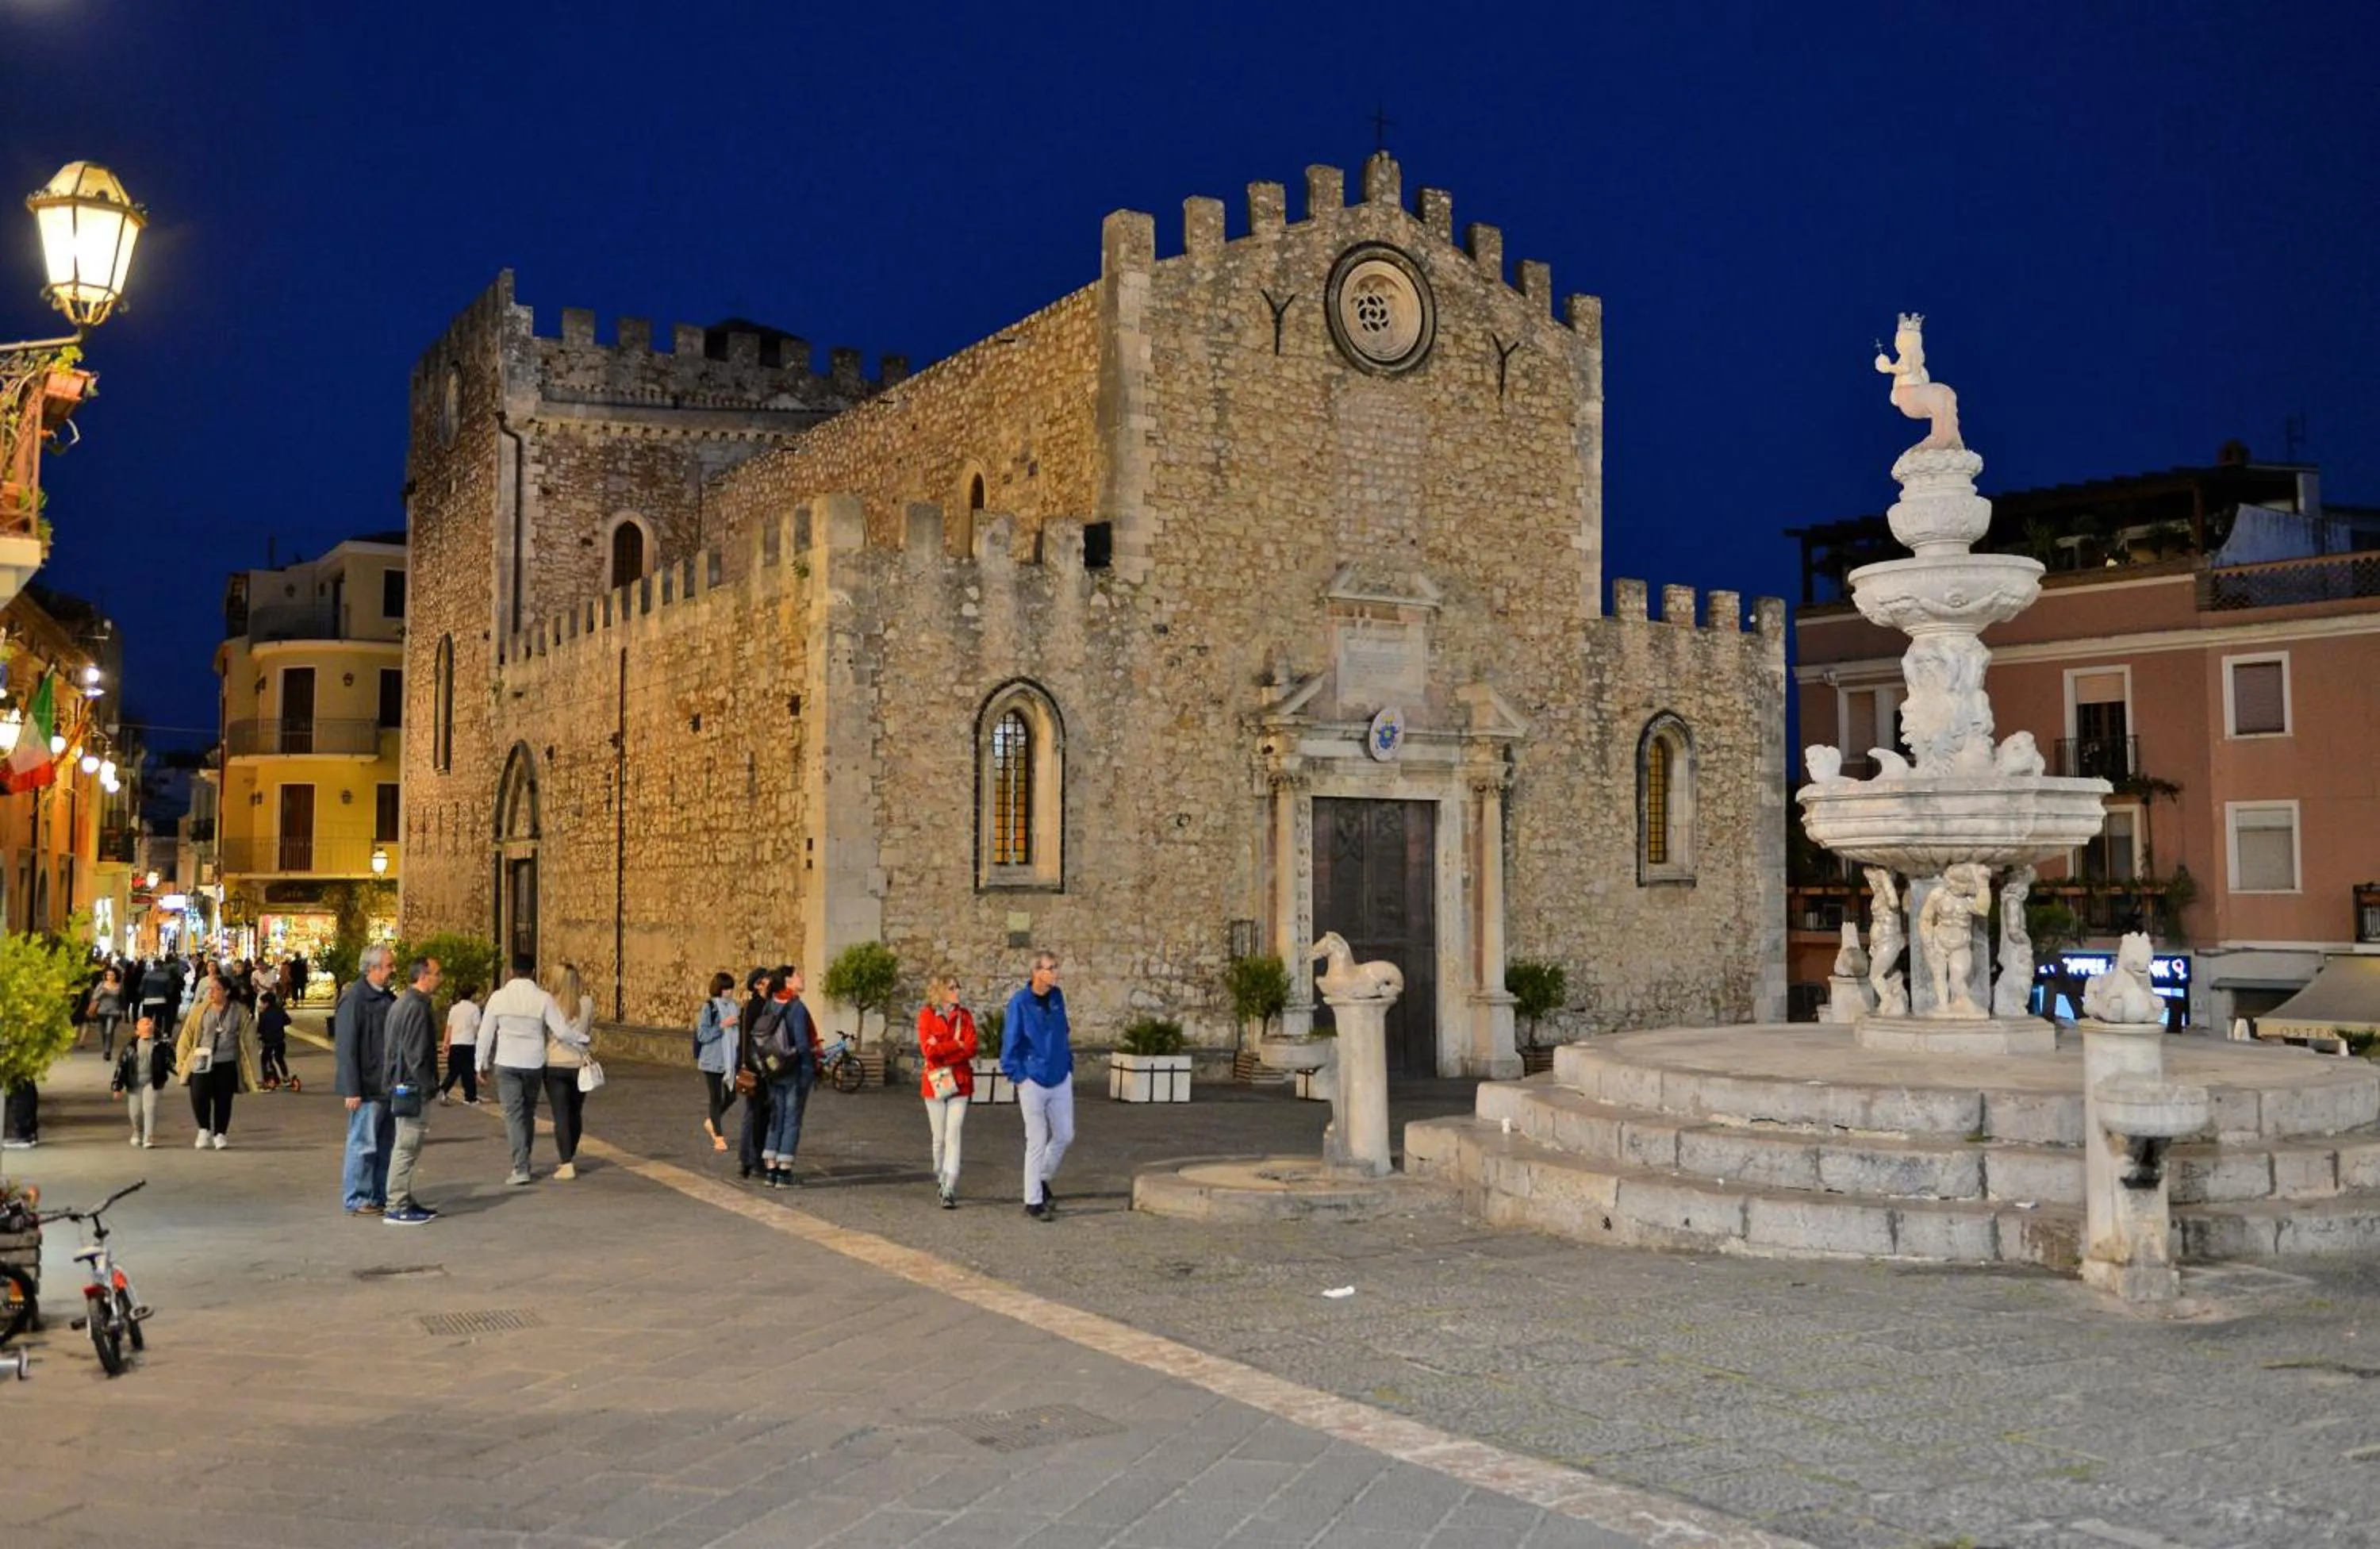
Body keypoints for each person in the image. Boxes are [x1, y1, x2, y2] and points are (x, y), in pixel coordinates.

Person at [477, 955, 579, 1186]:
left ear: (511, 971)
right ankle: (525, 1157)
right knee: (528, 1112)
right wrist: (581, 1039)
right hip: (533, 1063)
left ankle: (521, 1167)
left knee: (513, 1115)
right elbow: (561, 1031)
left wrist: (480, 1063)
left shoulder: (498, 997)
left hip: (506, 1061)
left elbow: (486, 1032)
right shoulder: (543, 999)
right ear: (533, 971)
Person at [1002, 951, 1074, 1222]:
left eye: (1055, 967)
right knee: (1036, 1139)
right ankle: (1033, 1201)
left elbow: (1063, 1031)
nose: (1054, 972)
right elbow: (1010, 1040)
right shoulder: (1020, 1003)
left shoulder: (1057, 998)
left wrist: (1068, 1064)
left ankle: (1042, 1178)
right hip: (1032, 1078)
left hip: (1059, 1076)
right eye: (1049, 968)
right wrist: (1018, 1075)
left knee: (1065, 1134)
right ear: (1035, 972)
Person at [332, 945, 400, 1216]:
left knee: (384, 1144)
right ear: (372, 969)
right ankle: (358, 1197)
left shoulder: (387, 999)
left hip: (386, 1085)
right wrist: (352, 1089)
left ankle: (378, 1193)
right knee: (362, 1143)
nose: (392, 970)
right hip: (368, 1086)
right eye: (389, 966)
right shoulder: (355, 1000)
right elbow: (346, 1047)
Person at [381, 957, 443, 1226]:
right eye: (437, 974)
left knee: (406, 1144)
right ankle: (397, 1204)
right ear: (424, 976)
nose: (440, 979)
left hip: (401, 1083)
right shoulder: (416, 1008)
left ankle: (402, 1198)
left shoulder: (402, 1003)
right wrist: (429, 1087)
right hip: (411, 1087)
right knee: (407, 1146)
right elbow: (416, 1054)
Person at [750, 965, 819, 1189]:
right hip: (794, 1071)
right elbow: (801, 1044)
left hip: (774, 1070)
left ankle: (770, 1168)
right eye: (798, 975)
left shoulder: (770, 1004)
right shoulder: (796, 1007)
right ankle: (784, 1171)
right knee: (792, 1119)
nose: (802, 977)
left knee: (776, 1118)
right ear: (788, 982)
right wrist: (810, 1070)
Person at [176, 973, 259, 1149]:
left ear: (227, 992)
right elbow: (187, 1036)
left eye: (216, 989)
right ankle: (203, 1129)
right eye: (210, 989)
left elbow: (250, 1042)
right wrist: (182, 1061)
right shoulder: (200, 1010)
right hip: (200, 1060)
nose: (211, 992)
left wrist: (254, 1070)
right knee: (198, 1096)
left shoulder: (239, 1011)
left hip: (226, 1061)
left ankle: (220, 1133)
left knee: (223, 1099)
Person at [916, 974, 977, 1209]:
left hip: (960, 1081)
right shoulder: (927, 1016)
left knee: (954, 1132)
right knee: (939, 1138)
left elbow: (971, 1047)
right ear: (940, 991)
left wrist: (943, 1047)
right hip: (936, 1081)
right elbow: (927, 1051)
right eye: (952, 987)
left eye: (957, 987)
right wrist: (956, 1045)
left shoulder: (965, 1016)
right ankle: (940, 1173)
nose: (957, 991)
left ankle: (950, 1183)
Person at [539, 963, 597, 1181]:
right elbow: (589, 1028)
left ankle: (566, 1162)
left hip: (555, 1063)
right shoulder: (587, 1003)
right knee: (575, 1113)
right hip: (579, 1064)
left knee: (560, 1114)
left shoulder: (549, 1003)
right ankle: (569, 1154)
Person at [694, 971, 739, 1151]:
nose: (729, 992)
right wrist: (722, 1026)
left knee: (732, 1096)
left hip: (730, 1060)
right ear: (719, 989)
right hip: (712, 1060)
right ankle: (719, 1137)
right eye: (726, 989)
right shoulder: (710, 1007)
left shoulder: (734, 1007)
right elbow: (702, 1035)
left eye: (731, 989)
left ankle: (712, 1121)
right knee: (716, 1097)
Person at [735, 967, 772, 1180]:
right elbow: (753, 1041)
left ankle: (747, 1159)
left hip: (752, 1066)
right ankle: (754, 1159)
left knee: (752, 1113)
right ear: (758, 984)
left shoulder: (754, 1007)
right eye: (766, 979)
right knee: (758, 1115)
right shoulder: (758, 1008)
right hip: (757, 1068)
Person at [113, 1013, 171, 1147]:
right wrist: (117, 1086)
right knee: (135, 1112)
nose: (147, 1024)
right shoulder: (129, 1048)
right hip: (135, 1082)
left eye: (149, 1022)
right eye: (143, 1022)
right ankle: (137, 1132)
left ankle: (149, 1136)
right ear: (137, 1030)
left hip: (154, 1081)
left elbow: (171, 1062)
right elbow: (121, 1067)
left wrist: (183, 1073)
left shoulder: (161, 1046)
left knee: (150, 1107)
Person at [439, 983, 482, 1105]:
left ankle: (444, 1089)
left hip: (455, 1043)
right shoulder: (474, 1009)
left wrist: (446, 1042)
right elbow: (477, 1027)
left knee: (453, 1071)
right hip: (468, 1043)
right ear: (472, 995)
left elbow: (449, 1027)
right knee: (468, 1071)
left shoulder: (454, 1009)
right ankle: (470, 1097)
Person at [256, 990, 294, 1091]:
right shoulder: (280, 1010)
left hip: (268, 1041)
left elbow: (260, 1028)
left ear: (267, 1003)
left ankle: (269, 1080)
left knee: (265, 1060)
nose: (261, 1005)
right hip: (280, 1040)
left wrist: (260, 1036)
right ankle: (286, 1078)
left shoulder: (263, 1014)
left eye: (262, 1003)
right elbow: (288, 1021)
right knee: (279, 1058)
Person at [87, 965, 126, 1060]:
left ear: (116, 976)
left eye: (112, 975)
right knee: (103, 1032)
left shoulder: (119, 986)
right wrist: (102, 992)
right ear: (105, 976)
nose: (110, 977)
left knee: (109, 1031)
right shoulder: (101, 985)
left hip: (114, 1012)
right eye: (108, 975)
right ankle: (106, 1047)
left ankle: (107, 1051)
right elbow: (94, 997)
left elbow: (122, 1000)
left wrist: (123, 1012)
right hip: (101, 1012)